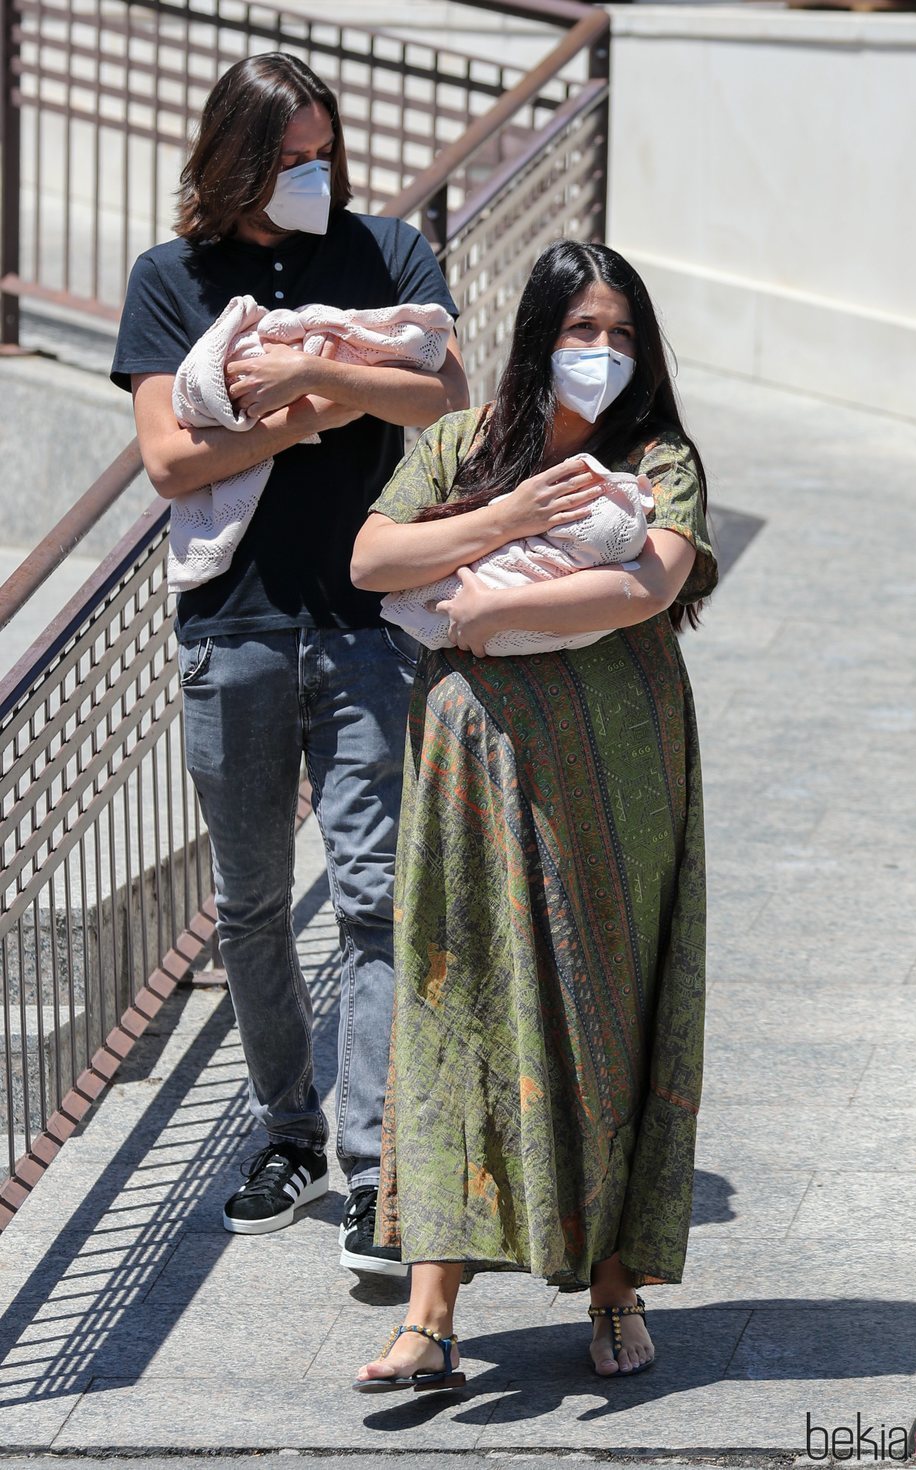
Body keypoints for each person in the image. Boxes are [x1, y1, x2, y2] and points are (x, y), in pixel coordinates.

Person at [109, 52, 467, 1268]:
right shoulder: (172, 280)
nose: (310, 176)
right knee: (253, 905)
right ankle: (286, 1133)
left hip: (369, 625)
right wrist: (335, 409)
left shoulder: (385, 256)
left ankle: (372, 1172)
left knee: (370, 896)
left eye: (322, 154)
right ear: (233, 160)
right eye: (286, 158)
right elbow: (168, 462)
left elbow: (447, 396)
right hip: (235, 629)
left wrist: (312, 369)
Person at [348, 240, 717, 1386]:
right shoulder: (465, 445)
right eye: (578, 332)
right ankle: (429, 1314)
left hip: (617, 773)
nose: (598, 354)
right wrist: (508, 517)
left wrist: (464, 615)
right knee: (455, 994)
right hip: (471, 768)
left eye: (617, 334)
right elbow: (370, 557)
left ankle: (611, 1291)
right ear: (536, 336)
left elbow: (646, 584)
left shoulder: (655, 455)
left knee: (602, 995)